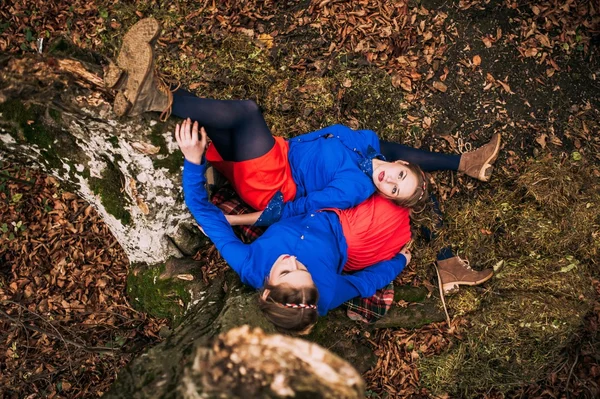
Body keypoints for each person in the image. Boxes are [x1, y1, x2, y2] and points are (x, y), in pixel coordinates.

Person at [105, 18, 501, 228]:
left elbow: (301, 208)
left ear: (389, 199)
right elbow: (393, 148)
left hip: (274, 183)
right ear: (399, 165)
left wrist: (237, 219)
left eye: (395, 191)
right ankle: (125, 86)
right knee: (214, 117)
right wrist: (458, 162)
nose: (391, 181)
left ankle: (151, 96)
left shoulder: (355, 188)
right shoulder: (367, 143)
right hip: (274, 151)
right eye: (401, 175)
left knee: (246, 111)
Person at [176, 118, 412, 333]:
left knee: (376, 170)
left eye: (286, 272)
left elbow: (202, 211)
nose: (292, 260)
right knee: (394, 196)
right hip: (348, 227)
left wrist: (193, 161)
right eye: (305, 270)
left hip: (306, 203)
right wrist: (399, 262)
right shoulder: (327, 293)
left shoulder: (248, 264)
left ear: (267, 290)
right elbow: (364, 283)